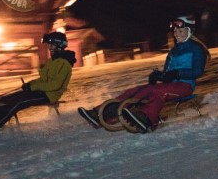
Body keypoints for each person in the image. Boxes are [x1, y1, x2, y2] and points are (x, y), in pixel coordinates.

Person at [78, 16, 210, 132]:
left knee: (159, 92)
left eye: (180, 31)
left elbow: (197, 72)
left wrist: (177, 74)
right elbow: (166, 73)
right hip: (170, 85)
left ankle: (147, 118)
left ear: (189, 31)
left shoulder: (196, 50)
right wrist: (158, 76)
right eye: (175, 31)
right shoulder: (173, 52)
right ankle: (99, 113)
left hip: (185, 86)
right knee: (134, 91)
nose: (177, 34)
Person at [0, 31, 76, 134]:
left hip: (49, 95)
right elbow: (44, 80)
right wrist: (30, 84)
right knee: (6, 99)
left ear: (59, 45)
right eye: (49, 45)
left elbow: (55, 84)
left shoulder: (64, 64)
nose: (49, 48)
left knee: (18, 103)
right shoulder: (52, 62)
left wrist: (33, 86)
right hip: (41, 91)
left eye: (51, 45)